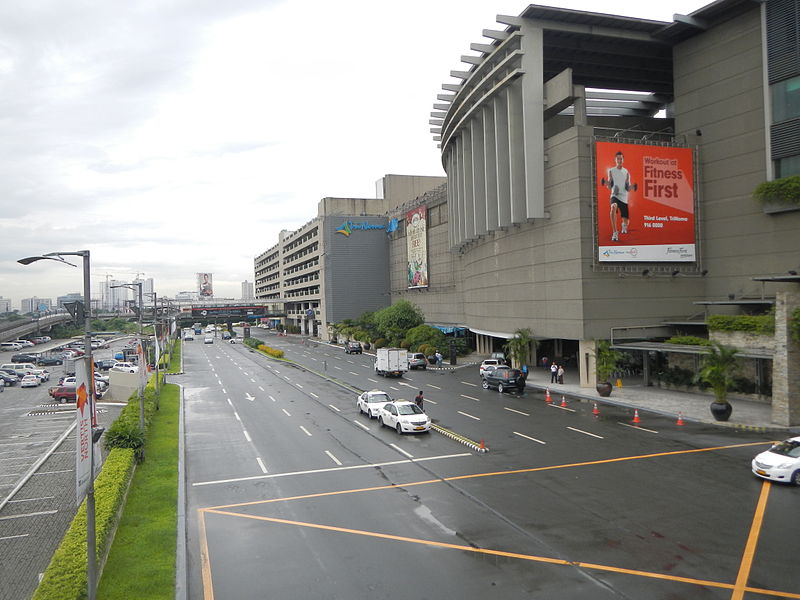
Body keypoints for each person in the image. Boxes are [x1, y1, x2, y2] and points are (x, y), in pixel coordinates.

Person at [604, 151, 636, 242]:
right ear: (615, 160)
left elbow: (628, 187)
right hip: (614, 195)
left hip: (624, 197)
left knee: (626, 222)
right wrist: (608, 185)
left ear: (623, 160)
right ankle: (615, 232)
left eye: (621, 158)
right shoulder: (611, 171)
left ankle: (624, 225)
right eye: (618, 158)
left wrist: (632, 187)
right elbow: (609, 185)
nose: (619, 160)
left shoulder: (626, 172)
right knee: (613, 208)